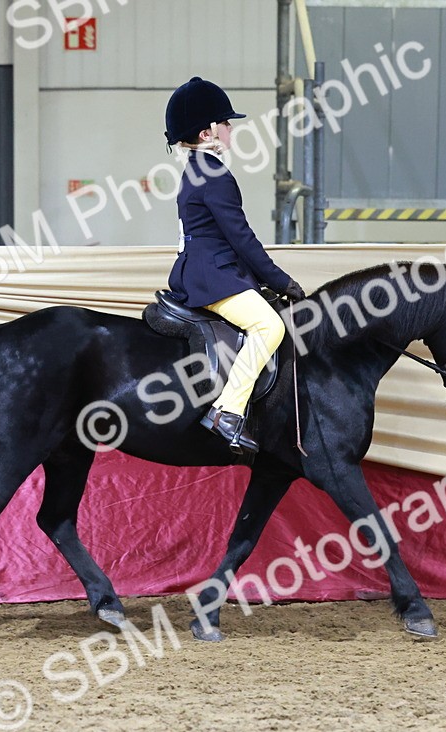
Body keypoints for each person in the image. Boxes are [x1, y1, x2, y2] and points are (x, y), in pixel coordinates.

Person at [163, 76, 305, 454]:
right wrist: (281, 280)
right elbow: (241, 237)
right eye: (225, 123)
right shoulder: (213, 174)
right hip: (212, 276)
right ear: (207, 132)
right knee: (269, 326)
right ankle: (228, 411)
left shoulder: (195, 170)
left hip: (205, 269)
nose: (230, 129)